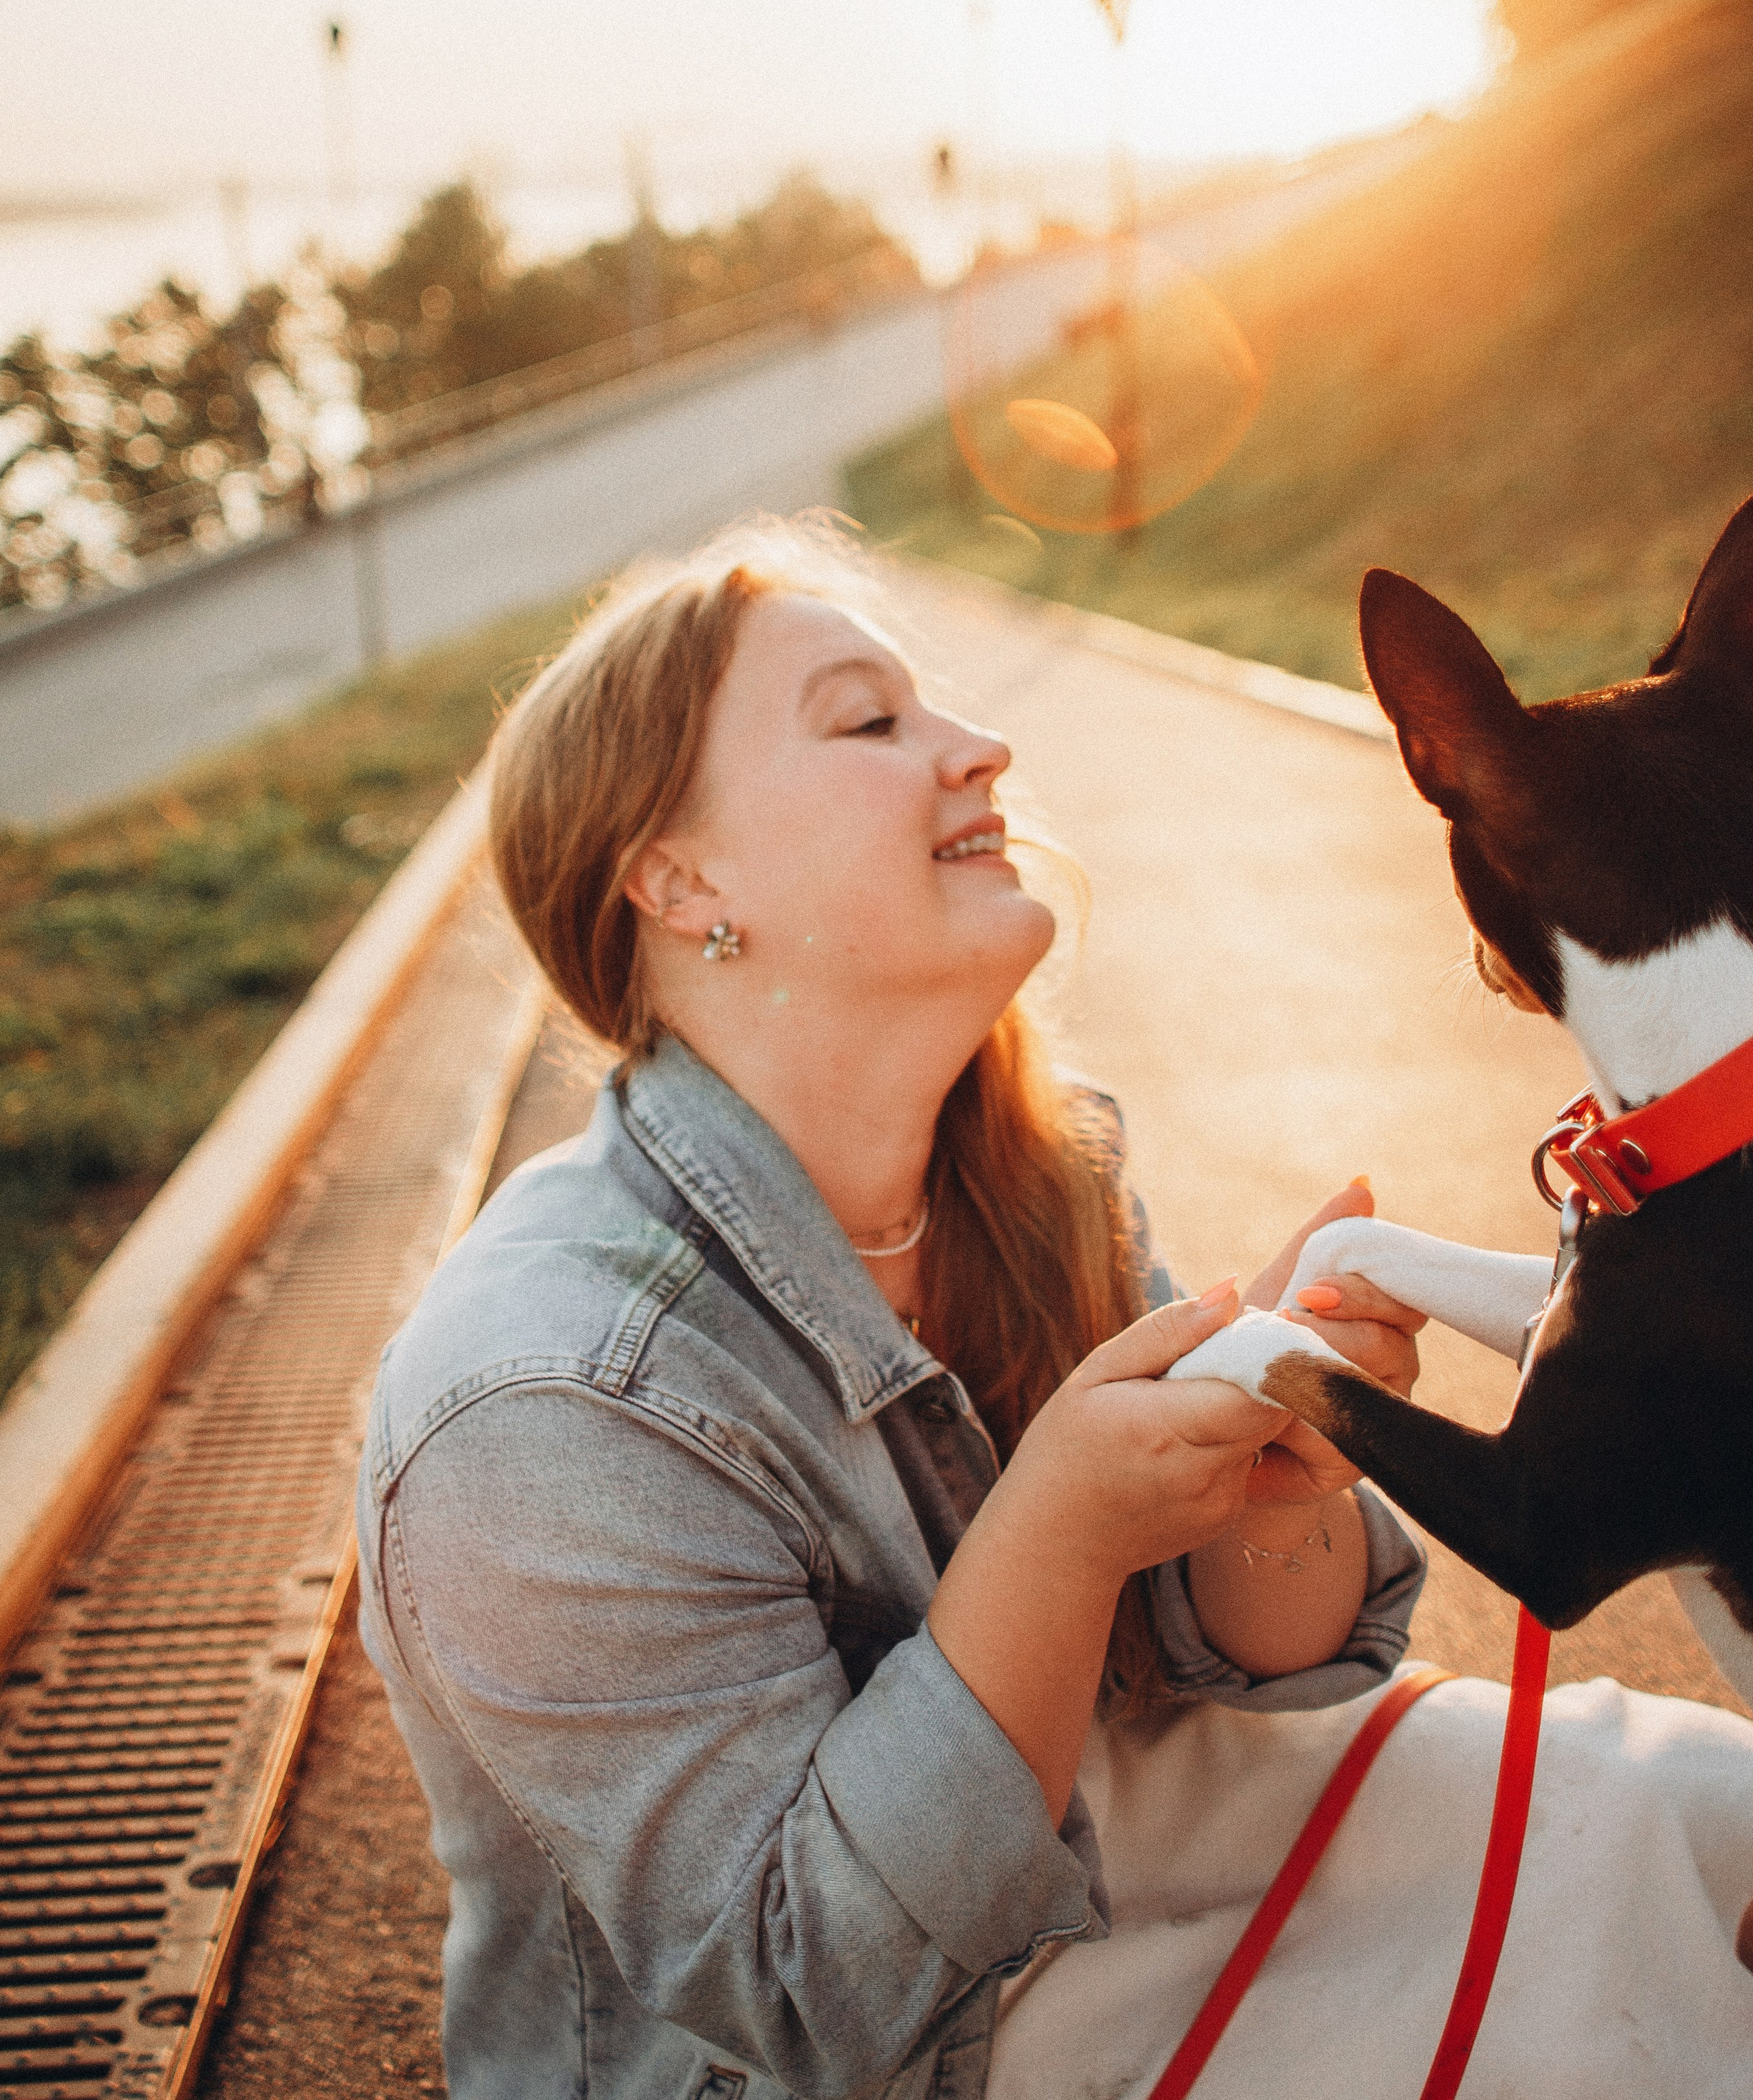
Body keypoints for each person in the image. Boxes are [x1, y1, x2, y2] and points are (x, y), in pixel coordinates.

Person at [357, 519, 1753, 2100]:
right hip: (852, 2054)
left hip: (1107, 1859)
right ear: (677, 879)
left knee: (1716, 1822)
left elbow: (1277, 1663)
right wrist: (1063, 1526)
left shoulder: (1039, 1164)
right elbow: (812, 1992)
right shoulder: (541, 1404)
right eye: (872, 720)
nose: (981, 743)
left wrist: (1264, 1494)